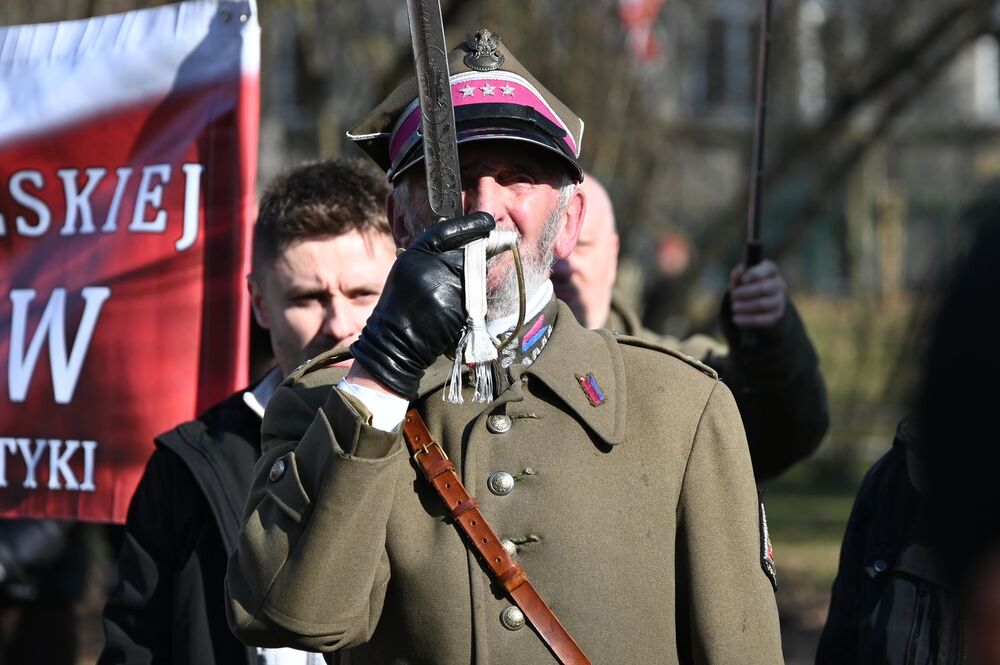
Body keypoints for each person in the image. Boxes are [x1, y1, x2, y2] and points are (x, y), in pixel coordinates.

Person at [225, 30, 782, 664]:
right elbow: (287, 614)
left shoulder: (682, 409)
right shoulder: (327, 402)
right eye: (454, 179)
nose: (485, 207)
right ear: (401, 220)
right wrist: (383, 368)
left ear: (569, 222)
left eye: (518, 179)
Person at [98, 158, 396, 665]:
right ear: (259, 302)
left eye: (363, 293)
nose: (339, 324)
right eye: (308, 298)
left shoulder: (453, 437)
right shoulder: (186, 466)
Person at [552, 174, 829, 480]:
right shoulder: (505, 368)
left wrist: (774, 337)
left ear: (612, 253)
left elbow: (787, 433)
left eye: (581, 245)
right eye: (549, 243)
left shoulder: (679, 373)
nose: (563, 265)